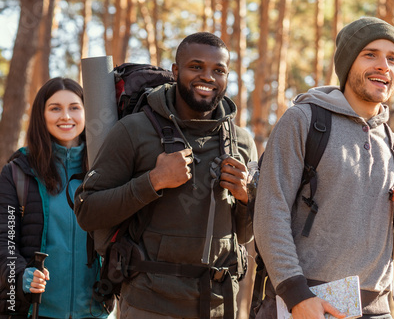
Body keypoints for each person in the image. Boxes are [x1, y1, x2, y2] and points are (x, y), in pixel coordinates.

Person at [74, 32, 258, 319]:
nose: (208, 77)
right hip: (149, 304)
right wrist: (153, 181)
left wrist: (246, 199)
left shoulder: (242, 141)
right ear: (175, 72)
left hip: (221, 306)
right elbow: (87, 212)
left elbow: (244, 235)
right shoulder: (135, 130)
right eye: (196, 67)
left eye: (218, 70)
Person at [253, 17, 394, 319]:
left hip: (376, 310)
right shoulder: (303, 121)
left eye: (393, 58)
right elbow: (270, 212)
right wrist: (297, 296)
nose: (384, 65)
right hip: (304, 305)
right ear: (348, 63)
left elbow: (386, 250)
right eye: (370, 54)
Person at [0, 78, 107, 318]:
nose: (66, 116)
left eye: (74, 107)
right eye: (55, 108)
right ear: (41, 114)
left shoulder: (106, 169)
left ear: (86, 112)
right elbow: (4, 240)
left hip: (96, 312)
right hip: (36, 311)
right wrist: (20, 276)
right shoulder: (18, 171)